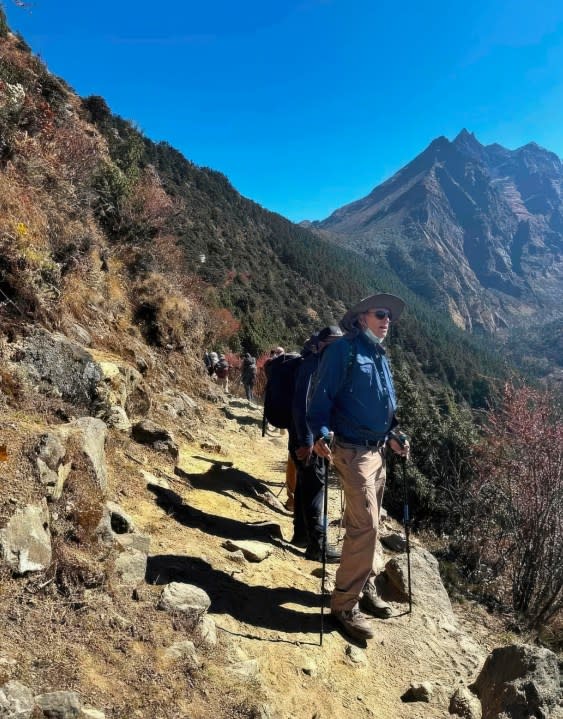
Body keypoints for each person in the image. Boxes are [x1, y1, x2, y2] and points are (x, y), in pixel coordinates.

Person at [307, 294, 410, 642]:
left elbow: (383, 405)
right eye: (380, 314)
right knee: (364, 526)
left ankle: (363, 586)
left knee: (371, 522)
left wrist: (394, 435)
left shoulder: (378, 354)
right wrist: (320, 434)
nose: (386, 320)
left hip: (378, 451)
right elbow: (319, 402)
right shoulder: (344, 351)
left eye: (389, 317)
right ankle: (344, 605)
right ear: (361, 317)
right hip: (352, 452)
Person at [289, 326, 343, 562]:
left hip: (305, 437)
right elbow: (300, 407)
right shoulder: (314, 367)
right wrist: (308, 442)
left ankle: (301, 535)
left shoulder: (315, 363)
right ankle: (318, 546)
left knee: (305, 484)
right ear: (320, 343)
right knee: (315, 488)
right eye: (331, 343)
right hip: (308, 440)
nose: (336, 348)